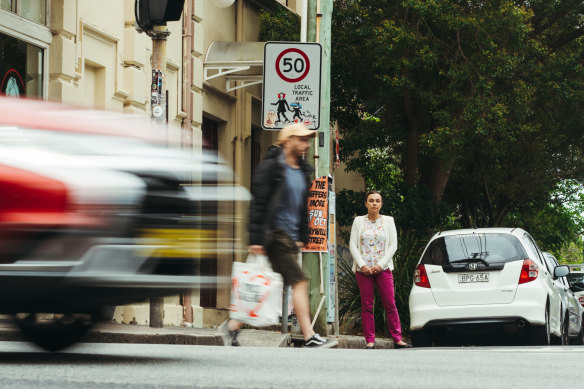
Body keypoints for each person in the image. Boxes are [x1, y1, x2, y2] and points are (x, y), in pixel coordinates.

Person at [220, 123, 338, 348]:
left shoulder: (303, 171)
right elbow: (258, 203)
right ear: (288, 140)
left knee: (264, 286)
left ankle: (232, 326)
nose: (305, 144)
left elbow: (302, 206)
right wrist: (255, 239)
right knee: (300, 280)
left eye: (307, 140)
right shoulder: (272, 167)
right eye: (301, 139)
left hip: (290, 238)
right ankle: (309, 335)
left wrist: (302, 234)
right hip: (274, 234)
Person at [349, 190, 411, 349]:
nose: (374, 203)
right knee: (367, 306)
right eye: (371, 200)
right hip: (364, 270)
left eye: (377, 201)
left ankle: (397, 338)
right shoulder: (358, 221)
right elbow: (353, 246)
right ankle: (370, 341)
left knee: (390, 303)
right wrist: (362, 265)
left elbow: (393, 246)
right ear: (366, 204)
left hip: (383, 269)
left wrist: (380, 265)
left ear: (381, 204)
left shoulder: (389, 221)